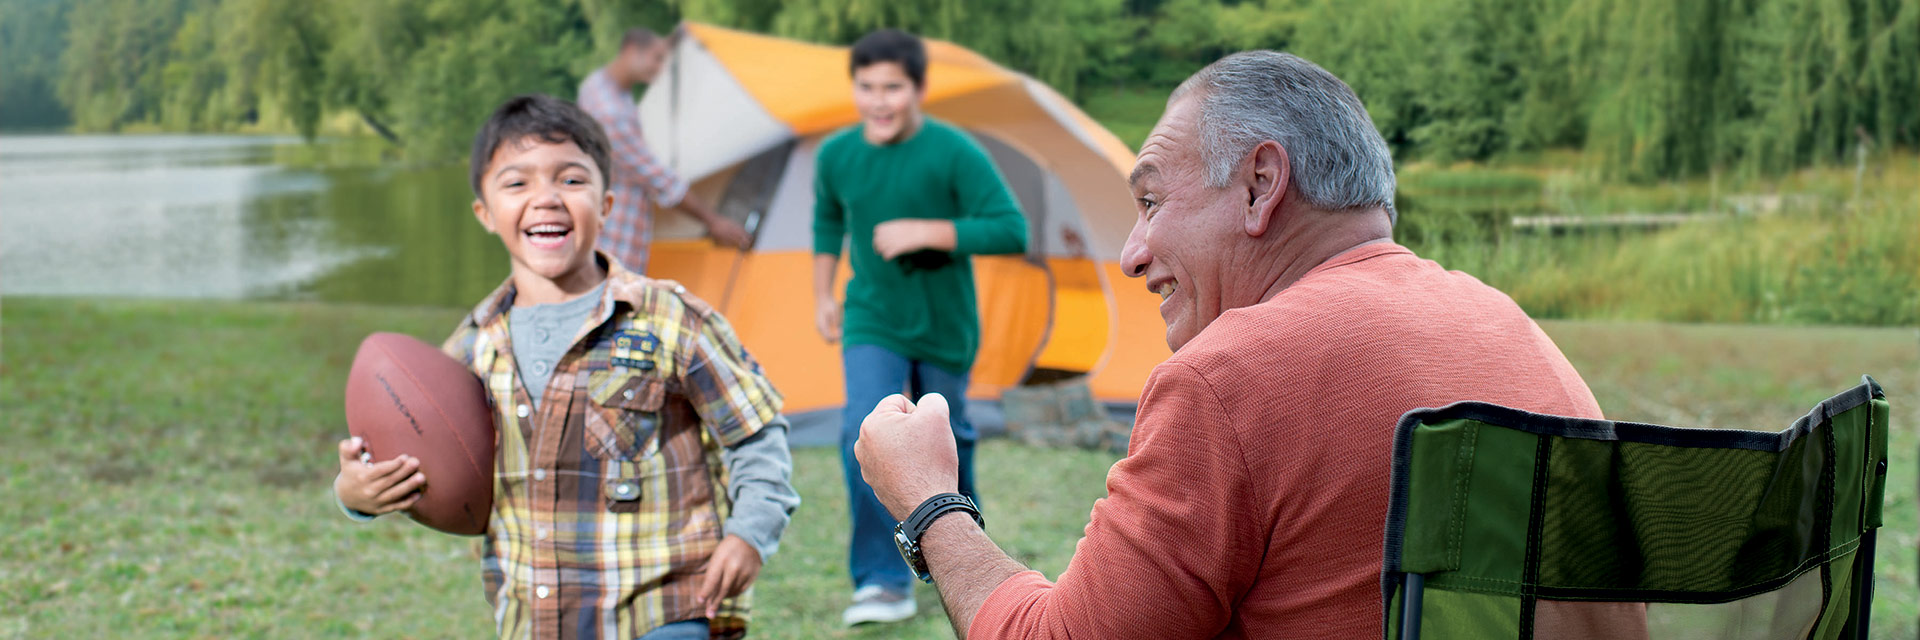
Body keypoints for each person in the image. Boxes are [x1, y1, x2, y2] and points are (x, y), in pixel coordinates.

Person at [852, 51, 1606, 638]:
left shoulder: (1231, 377)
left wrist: (928, 503)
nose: (1132, 254)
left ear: (1259, 185)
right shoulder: (1513, 328)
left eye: (1150, 202)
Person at [331, 94, 799, 640]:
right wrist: (355, 494)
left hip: (667, 608)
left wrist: (749, 533)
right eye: (517, 183)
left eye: (571, 180)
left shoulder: (672, 319)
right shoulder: (473, 346)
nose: (546, 198)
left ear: (606, 206)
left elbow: (756, 435)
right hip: (537, 619)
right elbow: (427, 453)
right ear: (485, 212)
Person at [810, 29, 1028, 627]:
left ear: (919, 90)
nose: (879, 101)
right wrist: (821, 294)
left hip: (944, 324)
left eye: (893, 88)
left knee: (948, 440)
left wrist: (930, 231)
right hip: (872, 318)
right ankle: (882, 581)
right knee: (862, 430)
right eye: (867, 88)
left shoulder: (954, 152)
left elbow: (1011, 229)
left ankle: (967, 559)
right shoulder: (836, 155)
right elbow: (828, 222)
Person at [578, 27, 751, 273]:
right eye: (656, 58)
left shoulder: (597, 86)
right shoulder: (610, 112)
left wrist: (670, 41)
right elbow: (661, 180)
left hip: (604, 240)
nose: (659, 68)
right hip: (616, 246)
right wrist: (714, 222)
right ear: (631, 50)